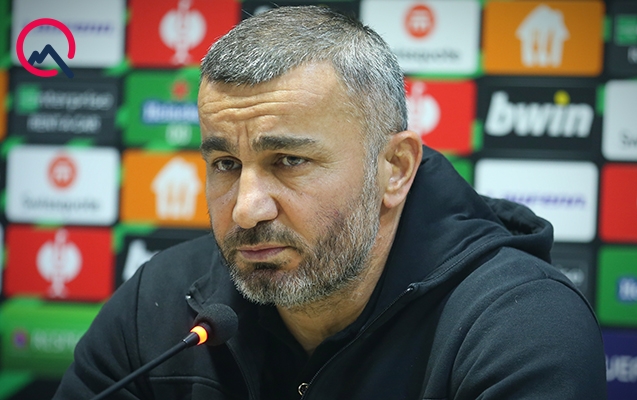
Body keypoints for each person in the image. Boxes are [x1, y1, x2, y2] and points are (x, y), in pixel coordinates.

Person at [54, 6, 607, 400]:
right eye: (225, 164)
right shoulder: (160, 305)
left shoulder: (518, 324)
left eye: (288, 161)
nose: (247, 209)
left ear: (395, 169)